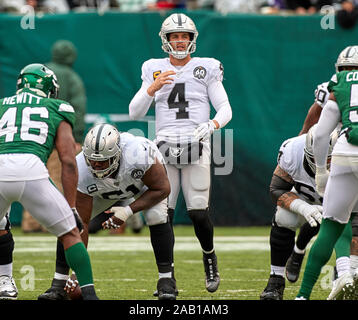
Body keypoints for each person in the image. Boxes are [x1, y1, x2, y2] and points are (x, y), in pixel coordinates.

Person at [128, 13, 232, 293]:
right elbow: (134, 112)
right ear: (165, 40)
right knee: (161, 215)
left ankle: (209, 256)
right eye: (175, 36)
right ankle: (167, 279)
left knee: (198, 211)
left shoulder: (205, 68)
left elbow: (225, 108)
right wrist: (151, 88)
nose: (180, 41)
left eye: (184, 35)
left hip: (197, 144)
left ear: (192, 39)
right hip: (164, 147)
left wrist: (211, 125)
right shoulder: (153, 68)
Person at [38, 123, 176, 300]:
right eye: (92, 160)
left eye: (102, 161)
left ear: (117, 154)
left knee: (156, 216)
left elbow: (162, 189)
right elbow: (82, 224)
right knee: (70, 223)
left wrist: (127, 211)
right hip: (104, 191)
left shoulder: (138, 154)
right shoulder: (81, 167)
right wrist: (77, 272)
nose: (96, 166)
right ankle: (58, 285)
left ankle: (166, 282)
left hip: (141, 185)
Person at [0, 63, 98, 300]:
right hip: (32, 169)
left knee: (2, 228)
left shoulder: (2, 104)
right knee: (70, 233)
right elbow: (68, 160)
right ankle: (90, 295)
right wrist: (72, 206)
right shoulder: (58, 106)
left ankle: (5, 282)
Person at [296, 46, 358, 300]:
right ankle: (350, 272)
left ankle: (302, 296)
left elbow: (320, 134)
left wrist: (321, 169)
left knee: (330, 227)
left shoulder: (336, 84)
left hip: (344, 153)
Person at [259, 124, 343, 300]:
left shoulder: (348, 153)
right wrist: (302, 208)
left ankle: (343, 274)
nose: (319, 164)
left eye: (326, 159)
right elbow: (276, 189)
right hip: (306, 199)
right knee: (284, 217)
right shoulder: (293, 150)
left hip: (343, 203)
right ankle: (276, 279)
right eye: (315, 158)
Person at [21, 39, 87, 233]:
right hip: (60, 135)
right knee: (57, 178)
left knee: (31, 179)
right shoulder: (72, 77)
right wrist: (75, 137)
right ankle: (51, 222)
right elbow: (79, 108)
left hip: (34, 138)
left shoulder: (39, 72)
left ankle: (30, 222)